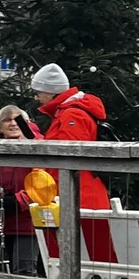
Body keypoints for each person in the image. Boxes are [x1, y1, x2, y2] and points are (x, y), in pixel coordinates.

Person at [0, 104, 45, 279]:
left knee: (25, 270)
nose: (13, 124)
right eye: (7, 120)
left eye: (17, 120)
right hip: (2, 221)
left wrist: (18, 200)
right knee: (9, 272)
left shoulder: (37, 146)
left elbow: (44, 185)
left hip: (29, 220)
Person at [30, 63, 110, 210]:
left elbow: (70, 155)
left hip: (79, 195)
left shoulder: (71, 115)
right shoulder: (68, 112)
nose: (37, 98)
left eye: (38, 93)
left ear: (50, 92)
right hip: (79, 191)